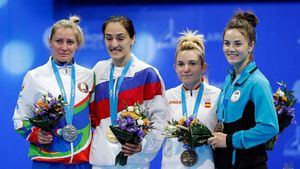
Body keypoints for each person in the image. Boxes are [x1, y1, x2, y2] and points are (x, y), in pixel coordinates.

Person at [13, 16, 93, 169]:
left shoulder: (88, 76)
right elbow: (19, 119)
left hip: (82, 160)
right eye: (59, 41)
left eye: (70, 42)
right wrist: (35, 134)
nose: (64, 47)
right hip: (48, 161)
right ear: (50, 42)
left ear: (78, 45)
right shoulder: (34, 76)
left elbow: (95, 116)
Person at [89, 16, 167, 169]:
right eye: (108, 38)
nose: (114, 44)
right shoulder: (98, 71)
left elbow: (159, 121)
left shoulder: (147, 74)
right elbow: (88, 114)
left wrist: (142, 146)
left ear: (132, 39)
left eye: (120, 38)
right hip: (101, 161)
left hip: (134, 162)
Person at [207, 11, 279, 169]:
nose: (230, 49)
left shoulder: (258, 82)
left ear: (251, 45)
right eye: (226, 43)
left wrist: (228, 140)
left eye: (237, 43)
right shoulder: (229, 78)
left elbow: (270, 127)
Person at [161, 30, 221, 169]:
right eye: (181, 64)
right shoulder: (167, 97)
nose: (186, 69)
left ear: (203, 67)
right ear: (175, 67)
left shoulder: (218, 96)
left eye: (192, 63)